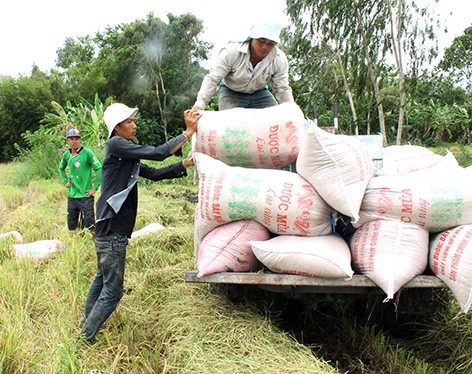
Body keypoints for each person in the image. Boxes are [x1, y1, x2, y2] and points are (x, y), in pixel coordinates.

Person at [80, 103, 201, 343]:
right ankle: (86, 336)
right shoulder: (116, 145)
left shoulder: (124, 155)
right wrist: (187, 133)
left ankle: (86, 323)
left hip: (107, 224)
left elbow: (154, 173)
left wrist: (183, 165)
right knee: (113, 291)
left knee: (102, 278)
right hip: (112, 226)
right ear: (117, 128)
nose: (134, 125)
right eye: (129, 122)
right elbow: (157, 152)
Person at [192, 22, 294, 111]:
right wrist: (199, 106)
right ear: (252, 38)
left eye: (271, 44)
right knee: (231, 127)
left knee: (276, 120)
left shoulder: (279, 59)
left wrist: (292, 111)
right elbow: (213, 79)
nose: (264, 47)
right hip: (231, 91)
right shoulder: (231, 52)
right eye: (261, 41)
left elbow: (282, 88)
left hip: (259, 93)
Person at [59, 129, 102, 233]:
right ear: (67, 141)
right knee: (72, 226)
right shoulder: (66, 155)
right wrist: (65, 181)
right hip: (72, 196)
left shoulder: (87, 153)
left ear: (80, 139)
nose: (74, 141)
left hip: (86, 196)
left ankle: (93, 243)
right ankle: (77, 244)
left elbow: (99, 168)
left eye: (77, 138)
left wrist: (95, 188)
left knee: (90, 224)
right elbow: (61, 168)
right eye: (71, 139)